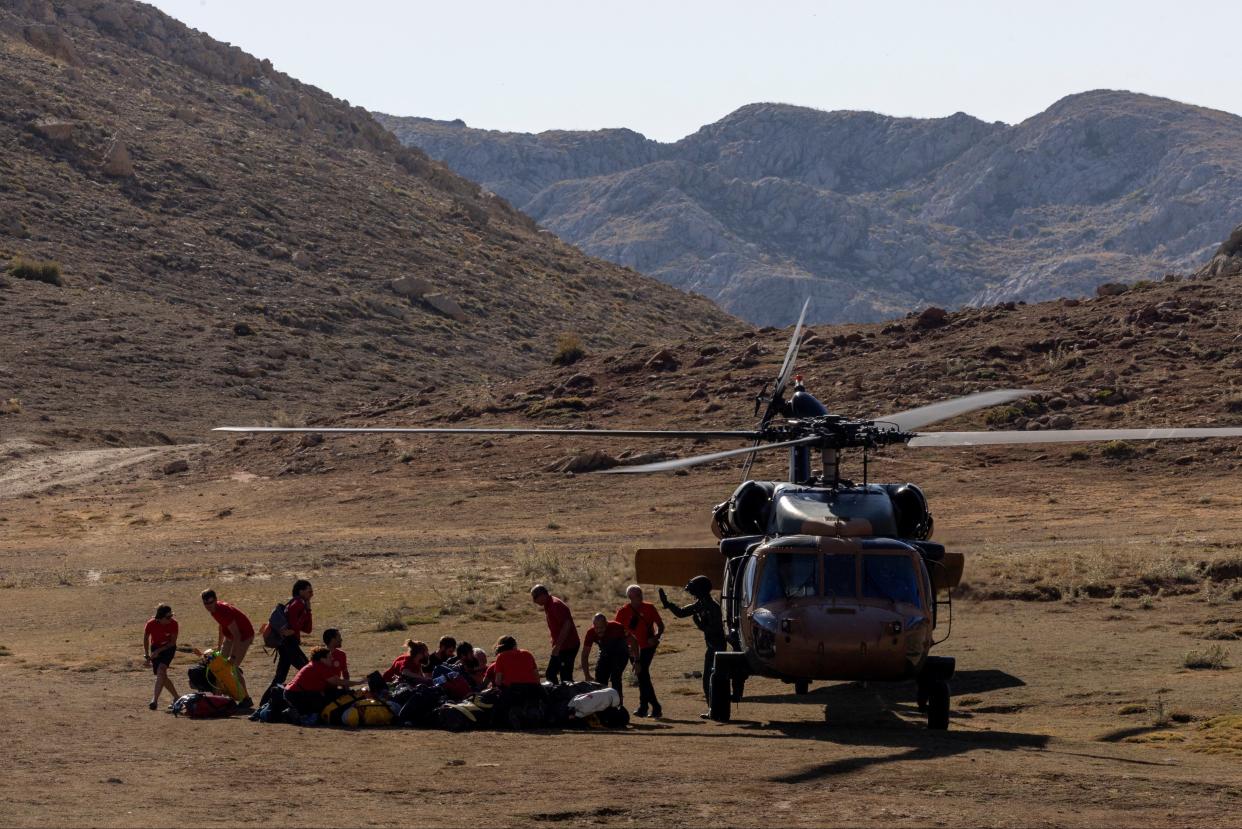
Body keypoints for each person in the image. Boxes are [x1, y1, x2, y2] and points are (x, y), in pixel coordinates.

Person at [660, 575, 732, 715]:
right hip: (711, 647)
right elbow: (681, 613)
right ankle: (712, 709)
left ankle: (715, 709)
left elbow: (715, 629)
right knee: (707, 680)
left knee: (712, 679)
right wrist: (668, 604)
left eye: (694, 591)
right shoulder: (701, 604)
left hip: (717, 648)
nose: (692, 594)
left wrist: (700, 625)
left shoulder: (712, 607)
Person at [614, 585, 664, 718]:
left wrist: (656, 637)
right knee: (642, 675)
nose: (641, 598)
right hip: (633, 649)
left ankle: (649, 706)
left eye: (641, 595)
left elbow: (660, 625)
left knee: (642, 674)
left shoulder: (649, 607)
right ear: (630, 597)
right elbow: (616, 631)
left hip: (648, 646)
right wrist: (625, 646)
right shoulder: (623, 612)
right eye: (638, 596)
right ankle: (650, 706)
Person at [283, 646, 366, 718]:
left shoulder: (316, 664)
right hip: (296, 694)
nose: (332, 659)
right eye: (329, 657)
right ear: (322, 659)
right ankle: (293, 712)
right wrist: (358, 683)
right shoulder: (319, 666)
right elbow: (337, 681)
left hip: (293, 693)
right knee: (322, 707)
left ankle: (296, 711)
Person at [579, 612, 637, 703]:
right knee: (599, 679)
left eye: (601, 627)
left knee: (615, 677)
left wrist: (636, 660)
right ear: (593, 626)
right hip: (605, 653)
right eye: (596, 628)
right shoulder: (591, 633)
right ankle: (602, 704)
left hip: (620, 653)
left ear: (606, 624)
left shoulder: (617, 627)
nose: (599, 630)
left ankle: (618, 704)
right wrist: (587, 675)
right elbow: (585, 654)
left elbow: (633, 641)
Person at [269, 579, 313, 691]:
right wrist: (306, 612)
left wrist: (308, 611)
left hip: (287, 643)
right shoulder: (297, 604)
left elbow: (308, 629)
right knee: (308, 670)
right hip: (289, 644)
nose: (312, 594)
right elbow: (294, 627)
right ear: (300, 591)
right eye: (309, 591)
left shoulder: (299, 604)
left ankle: (265, 702)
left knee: (280, 677)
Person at [530, 584, 580, 683]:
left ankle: (567, 696)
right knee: (552, 674)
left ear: (543, 595)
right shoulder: (548, 604)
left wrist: (557, 646)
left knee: (563, 677)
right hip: (562, 646)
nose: (534, 601)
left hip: (568, 646)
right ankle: (560, 695)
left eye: (535, 597)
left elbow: (567, 625)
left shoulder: (555, 605)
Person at [200, 589, 254, 667]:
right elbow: (221, 626)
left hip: (244, 636)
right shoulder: (213, 610)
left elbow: (237, 635)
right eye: (205, 603)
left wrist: (233, 656)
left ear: (215, 600)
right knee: (221, 664)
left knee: (233, 667)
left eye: (210, 602)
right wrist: (219, 647)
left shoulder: (223, 611)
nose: (208, 606)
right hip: (230, 636)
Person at [143, 603, 179, 710]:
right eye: (168, 617)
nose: (170, 619)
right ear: (160, 618)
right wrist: (147, 655)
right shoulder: (151, 624)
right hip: (155, 647)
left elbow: (172, 643)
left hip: (168, 648)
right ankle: (177, 697)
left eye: (171, 616)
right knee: (162, 675)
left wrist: (159, 651)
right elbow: (146, 638)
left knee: (161, 670)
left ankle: (154, 700)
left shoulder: (174, 624)